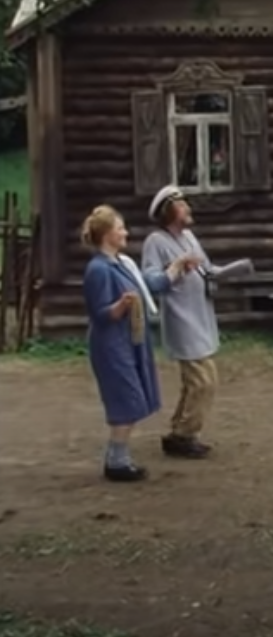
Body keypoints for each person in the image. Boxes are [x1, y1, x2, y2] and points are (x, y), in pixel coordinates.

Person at [81, 205, 196, 482]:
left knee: (133, 397)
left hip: (129, 340)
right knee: (126, 398)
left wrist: (175, 269)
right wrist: (121, 306)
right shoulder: (98, 270)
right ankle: (116, 462)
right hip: (111, 345)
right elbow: (99, 313)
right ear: (107, 234)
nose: (125, 233)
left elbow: (148, 286)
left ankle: (117, 458)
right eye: (120, 228)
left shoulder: (121, 263)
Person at [142, 185, 222, 461]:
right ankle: (184, 435)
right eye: (182, 204)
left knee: (197, 382)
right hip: (182, 320)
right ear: (169, 211)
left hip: (201, 316)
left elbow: (207, 269)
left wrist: (230, 272)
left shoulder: (189, 237)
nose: (188, 208)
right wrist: (176, 267)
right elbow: (151, 281)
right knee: (203, 382)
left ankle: (179, 433)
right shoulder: (156, 241)